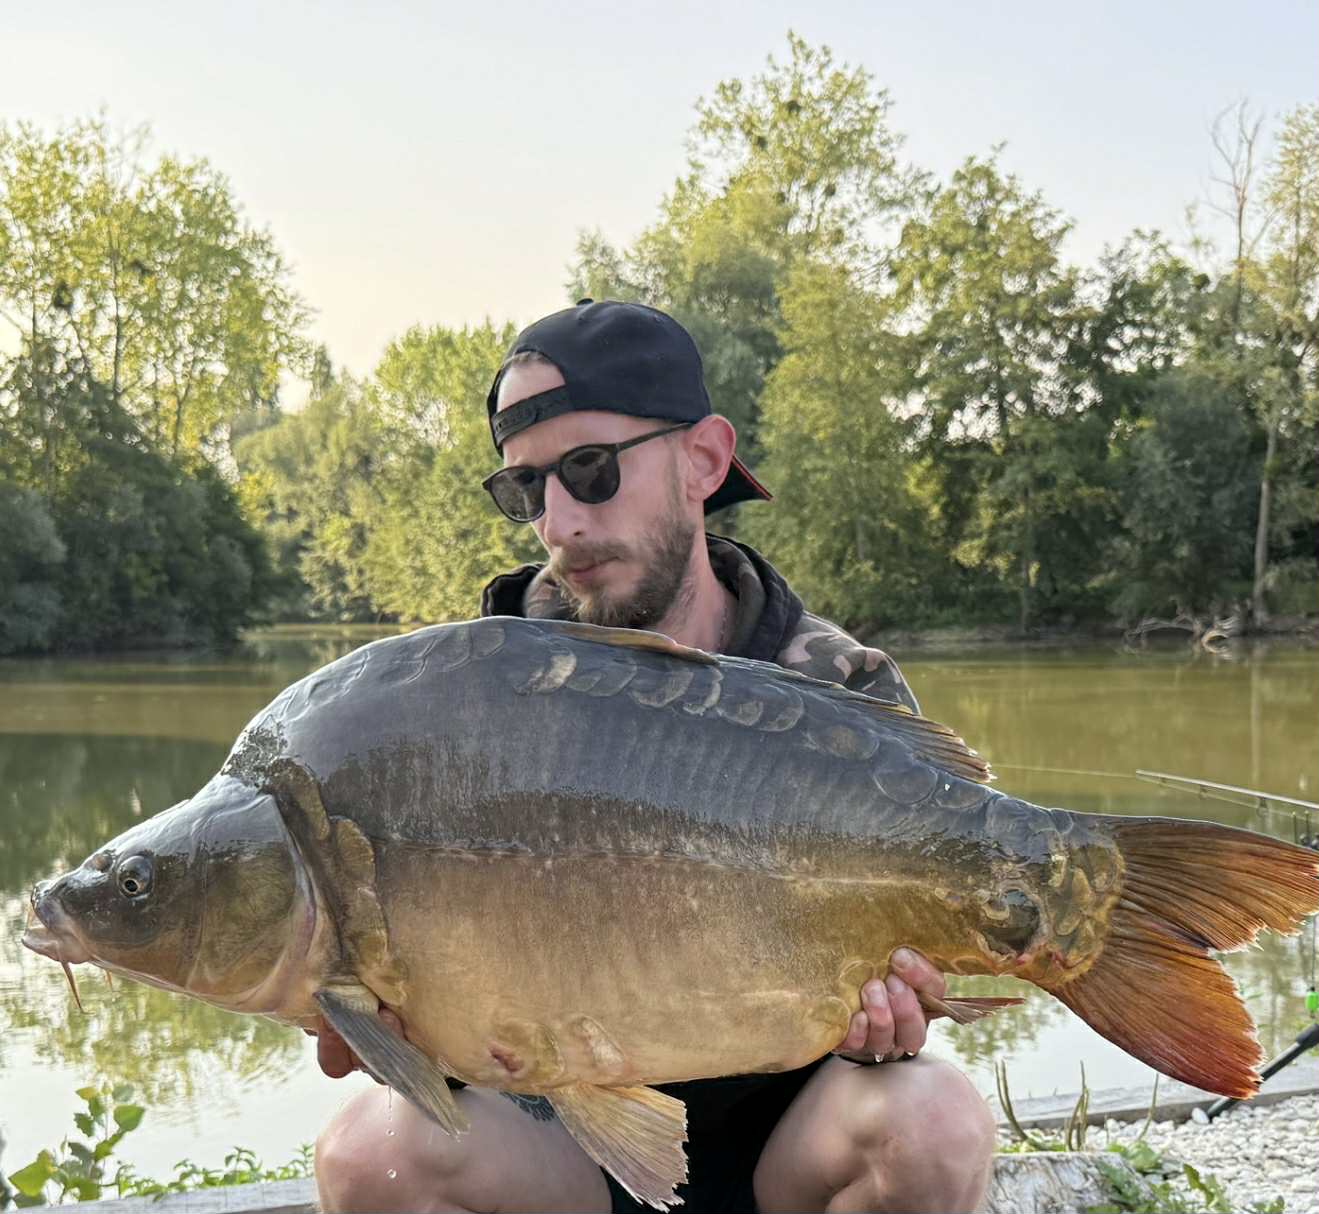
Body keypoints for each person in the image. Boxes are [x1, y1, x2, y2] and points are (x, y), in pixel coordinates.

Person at [312, 300, 996, 1213]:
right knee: (369, 1154)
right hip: (559, 1151)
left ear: (703, 460)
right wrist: (400, 1033)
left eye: (590, 470)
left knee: (931, 1119)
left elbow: (917, 970)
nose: (559, 523)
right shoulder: (464, 708)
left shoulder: (835, 687)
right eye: (526, 489)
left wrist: (893, 1023)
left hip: (787, 1152)